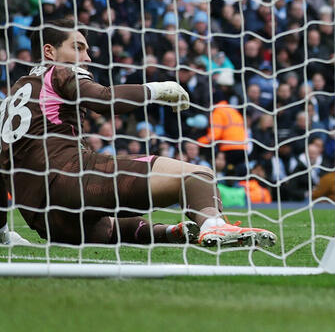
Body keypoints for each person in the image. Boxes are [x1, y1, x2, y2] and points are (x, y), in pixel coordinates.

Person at [0, 19, 276, 247]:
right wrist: (157, 90)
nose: (87, 57)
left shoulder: (11, 98)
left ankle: (171, 232)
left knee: (108, 229)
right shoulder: (59, 72)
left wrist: (3, 231)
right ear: (49, 52)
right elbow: (104, 99)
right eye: (78, 47)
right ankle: (214, 226)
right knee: (197, 176)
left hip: (46, 219)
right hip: (70, 178)